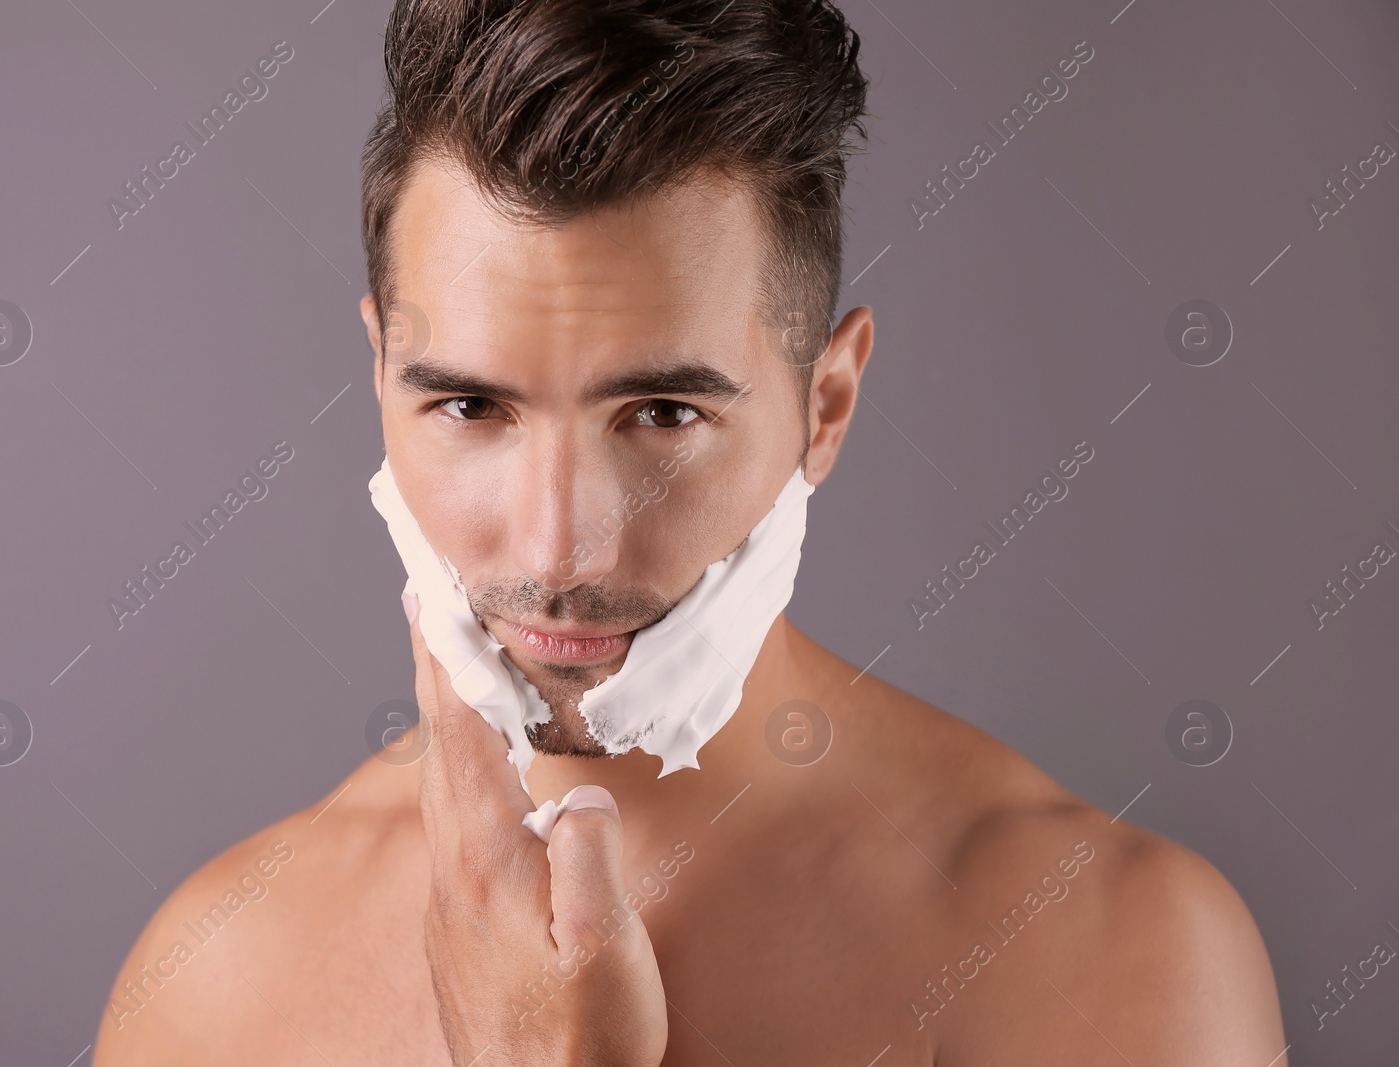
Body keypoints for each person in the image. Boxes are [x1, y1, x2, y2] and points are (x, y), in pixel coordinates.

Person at [95, 0, 1288, 1061]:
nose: (560, 550)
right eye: (469, 405)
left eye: (662, 412)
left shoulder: (1099, 948)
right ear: (380, 378)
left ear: (824, 406)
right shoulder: (217, 980)